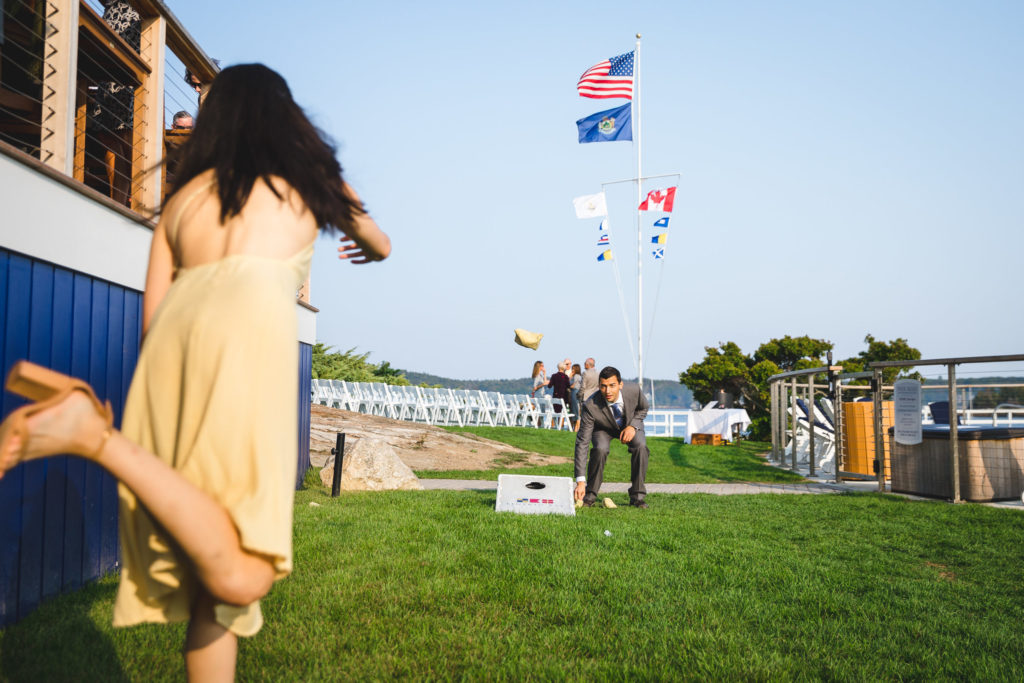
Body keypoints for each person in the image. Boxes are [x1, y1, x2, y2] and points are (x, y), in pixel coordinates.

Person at [0, 63, 390, 681]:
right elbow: (379, 241)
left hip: (173, 361)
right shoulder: (309, 183)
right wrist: (362, 242)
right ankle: (93, 436)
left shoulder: (182, 201)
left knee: (216, 602)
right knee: (244, 573)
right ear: (286, 124)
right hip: (248, 353)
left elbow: (153, 320)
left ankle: (102, 436)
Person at [573, 366, 650, 509]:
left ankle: (637, 497)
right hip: (603, 428)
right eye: (603, 386)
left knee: (641, 446)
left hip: (629, 425)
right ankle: (589, 495)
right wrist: (580, 481)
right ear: (599, 386)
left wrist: (633, 426)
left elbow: (643, 408)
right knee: (600, 449)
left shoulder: (634, 390)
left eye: (612, 386)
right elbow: (582, 442)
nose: (607, 391)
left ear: (620, 384)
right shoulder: (590, 406)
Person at [568, 363, 583, 431]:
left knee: (576, 410)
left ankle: (576, 429)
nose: (572, 369)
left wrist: (570, 377)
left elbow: (571, 385)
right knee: (574, 410)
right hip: (574, 392)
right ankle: (575, 428)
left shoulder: (576, 376)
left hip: (575, 392)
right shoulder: (577, 376)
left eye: (573, 368)